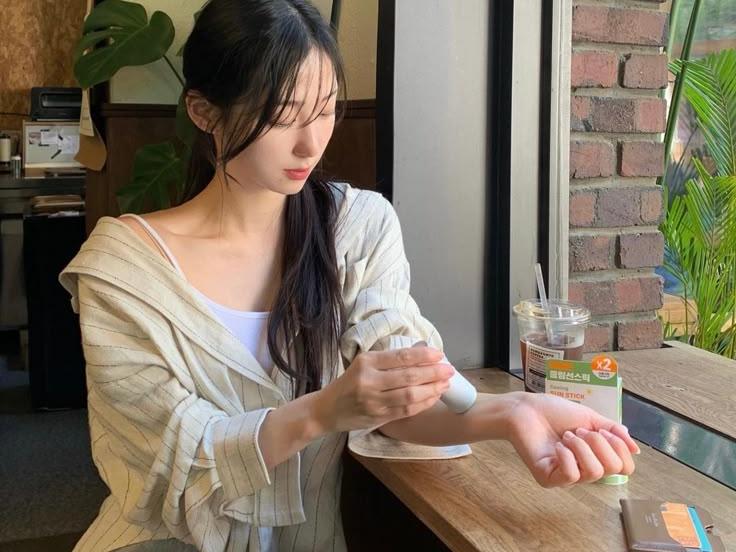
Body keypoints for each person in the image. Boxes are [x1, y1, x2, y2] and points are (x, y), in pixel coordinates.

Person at [60, 0, 639, 550]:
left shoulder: (357, 227)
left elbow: (404, 398)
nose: (310, 144)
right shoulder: (125, 270)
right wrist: (321, 411)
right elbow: (169, 464)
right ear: (203, 111)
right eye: (282, 115)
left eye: (326, 110)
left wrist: (512, 413)